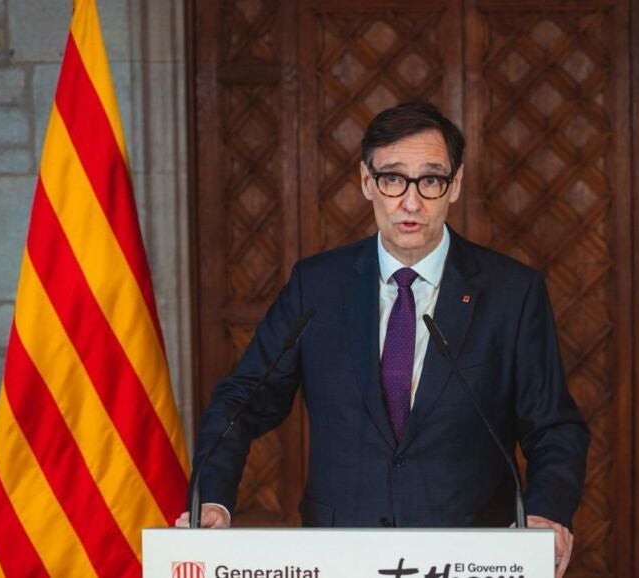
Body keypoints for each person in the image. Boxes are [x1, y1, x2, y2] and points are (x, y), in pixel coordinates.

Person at [176, 101, 589, 577]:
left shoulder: (511, 292)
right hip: (339, 557)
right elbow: (242, 400)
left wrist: (545, 512)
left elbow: (554, 426)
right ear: (366, 181)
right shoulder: (317, 287)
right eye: (393, 179)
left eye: (430, 180)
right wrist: (213, 498)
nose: (411, 202)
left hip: (470, 557)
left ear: (455, 184)